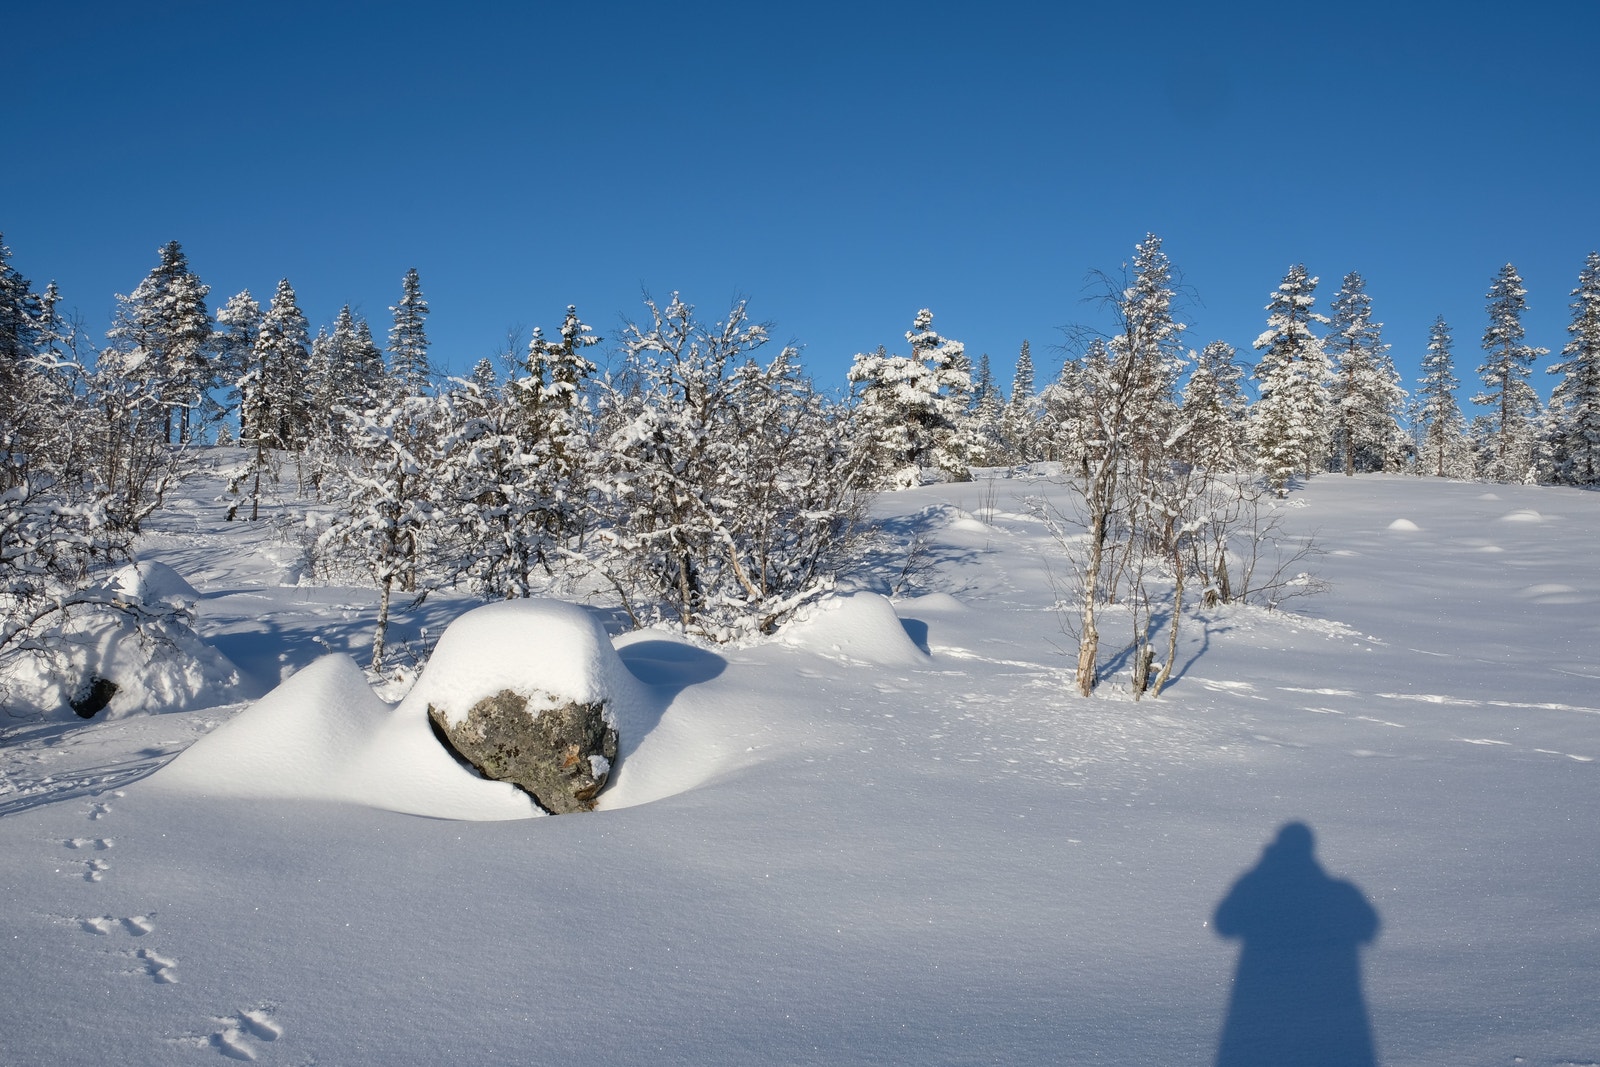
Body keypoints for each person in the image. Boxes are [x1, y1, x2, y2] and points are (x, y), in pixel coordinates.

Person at [1213, 821, 1380, 1067]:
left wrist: (1259, 872)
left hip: (1264, 1006)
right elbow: (1369, 927)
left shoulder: (1257, 889)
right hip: (1325, 1011)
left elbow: (1224, 924)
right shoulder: (1338, 894)